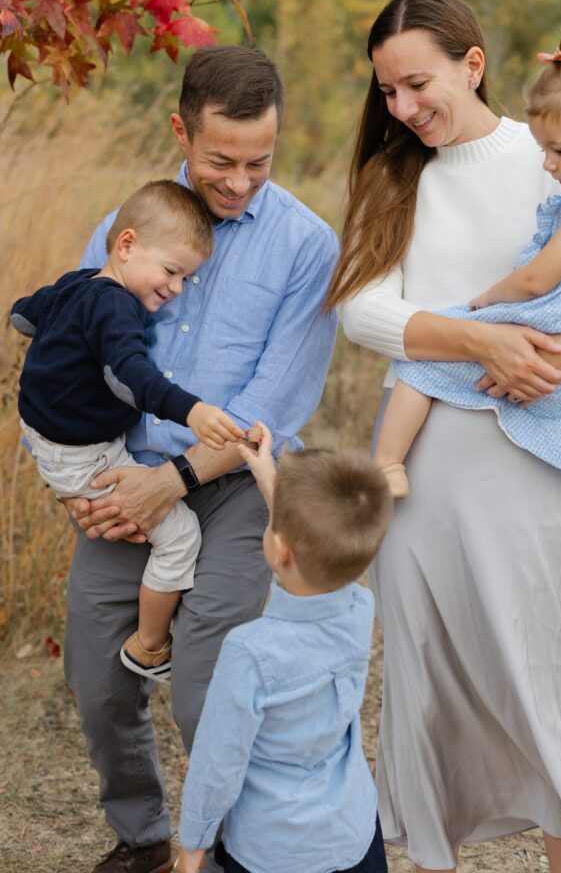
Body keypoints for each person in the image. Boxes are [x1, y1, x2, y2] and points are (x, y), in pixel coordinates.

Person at [326, 0, 561, 873]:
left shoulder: (557, 148)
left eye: (417, 84)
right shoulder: (393, 179)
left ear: (471, 64)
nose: (402, 108)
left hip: (541, 450)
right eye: (387, 92)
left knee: (544, 685)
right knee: (430, 690)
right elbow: (362, 311)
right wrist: (478, 338)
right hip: (424, 467)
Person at [62, 45, 339, 873]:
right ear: (181, 132)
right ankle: (143, 836)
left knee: (209, 686)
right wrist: (89, 479)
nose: (240, 182)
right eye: (221, 160)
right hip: (124, 479)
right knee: (97, 678)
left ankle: (227, 850)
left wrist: (173, 480)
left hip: (238, 489)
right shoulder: (125, 226)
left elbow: (270, 409)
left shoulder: (306, 246)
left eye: (260, 161)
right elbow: (74, 356)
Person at [374, 20, 561, 552]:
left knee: (419, 366)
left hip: (557, 313)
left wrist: (488, 299)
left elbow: (540, 278)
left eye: (558, 152)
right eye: (387, 92)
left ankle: (386, 464)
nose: (548, 164)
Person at [11, 180, 250, 685]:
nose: (177, 287)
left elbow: (27, 312)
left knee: (149, 521)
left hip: (49, 433)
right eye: (171, 271)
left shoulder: (78, 283)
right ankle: (149, 646)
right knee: (180, 536)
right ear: (126, 245)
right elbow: (130, 377)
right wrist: (193, 412)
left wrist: (45, 337)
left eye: (186, 277)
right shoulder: (117, 306)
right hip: (86, 455)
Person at [176, 422, 393, 873]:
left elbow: (217, 762)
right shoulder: (359, 607)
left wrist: (193, 846)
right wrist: (268, 478)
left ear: (279, 549)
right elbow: (314, 543)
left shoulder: (249, 651)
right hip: (352, 835)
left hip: (273, 850)